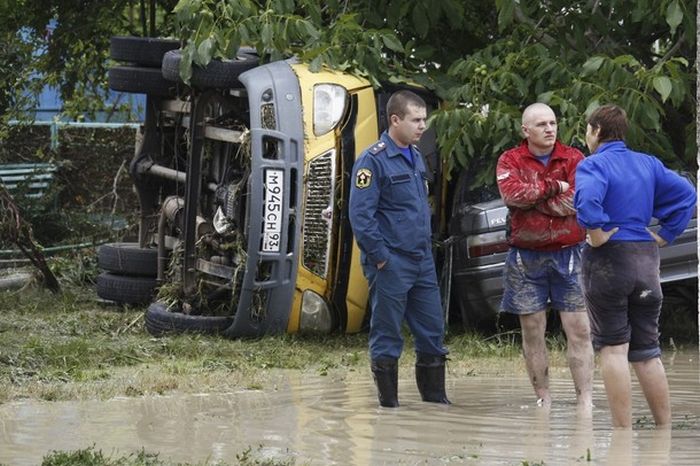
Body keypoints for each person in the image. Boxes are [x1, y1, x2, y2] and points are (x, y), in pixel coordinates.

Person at [574, 104, 696, 428]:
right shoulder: (648, 163)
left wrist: (597, 233)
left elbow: (586, 202)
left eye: (588, 129)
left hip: (609, 261)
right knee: (648, 350)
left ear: (596, 130)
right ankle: (664, 430)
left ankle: (623, 435)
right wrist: (667, 234)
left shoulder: (593, 165)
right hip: (646, 260)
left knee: (614, 350)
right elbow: (688, 193)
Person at [349, 90, 449, 408]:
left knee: (433, 331)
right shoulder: (373, 160)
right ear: (395, 120)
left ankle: (435, 404)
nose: (422, 126)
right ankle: (389, 408)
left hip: (421, 260)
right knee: (388, 334)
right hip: (391, 261)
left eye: (424, 119)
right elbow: (361, 217)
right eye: (416, 120)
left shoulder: (416, 155)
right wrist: (380, 258)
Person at [496, 102, 593, 410]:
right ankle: (544, 399)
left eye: (552, 123)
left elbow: (574, 202)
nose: (550, 129)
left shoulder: (575, 157)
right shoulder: (509, 159)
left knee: (579, 328)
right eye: (541, 125)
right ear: (526, 130)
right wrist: (554, 186)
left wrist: (535, 200)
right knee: (532, 329)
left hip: (571, 254)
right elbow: (512, 196)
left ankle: (585, 401)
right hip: (526, 257)